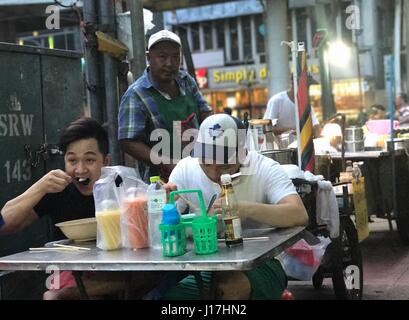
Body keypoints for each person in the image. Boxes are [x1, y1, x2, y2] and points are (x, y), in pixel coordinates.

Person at [0, 118, 158, 299]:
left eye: (89, 160)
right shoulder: (56, 191)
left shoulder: (123, 188)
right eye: (72, 160)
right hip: (70, 274)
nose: (80, 169)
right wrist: (40, 187)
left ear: (105, 161)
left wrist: (67, 294)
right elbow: (4, 224)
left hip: (120, 275)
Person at [163, 114, 308, 299]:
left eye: (224, 166)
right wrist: (163, 203)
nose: (213, 174)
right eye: (206, 164)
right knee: (174, 297)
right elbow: (169, 219)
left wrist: (244, 209)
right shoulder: (186, 168)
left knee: (229, 291)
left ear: (242, 153)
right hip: (207, 262)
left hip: (263, 263)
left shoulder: (265, 168)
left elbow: (298, 214)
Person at [118, 29, 212, 182]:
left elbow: (205, 112)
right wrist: (165, 161)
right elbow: (127, 141)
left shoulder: (185, 80)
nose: (169, 63)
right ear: (149, 57)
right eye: (162, 57)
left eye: (175, 57)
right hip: (161, 181)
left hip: (199, 171)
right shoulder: (136, 94)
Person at [263, 74, 321, 139]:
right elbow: (267, 129)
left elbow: (315, 124)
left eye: (307, 87)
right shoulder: (277, 101)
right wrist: (291, 131)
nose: (306, 89)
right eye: (304, 86)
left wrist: (320, 139)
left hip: (298, 146)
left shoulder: (305, 103)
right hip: (278, 147)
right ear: (293, 83)